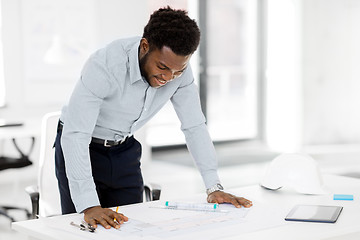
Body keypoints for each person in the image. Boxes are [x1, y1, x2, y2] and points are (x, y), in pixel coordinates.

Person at [54, 6, 252, 230]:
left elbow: (194, 125)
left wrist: (213, 187)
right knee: (85, 229)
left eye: (177, 71)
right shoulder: (105, 64)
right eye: (162, 67)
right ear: (145, 46)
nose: (168, 78)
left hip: (123, 149)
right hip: (81, 147)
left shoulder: (179, 72)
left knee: (129, 228)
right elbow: (76, 135)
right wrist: (89, 205)